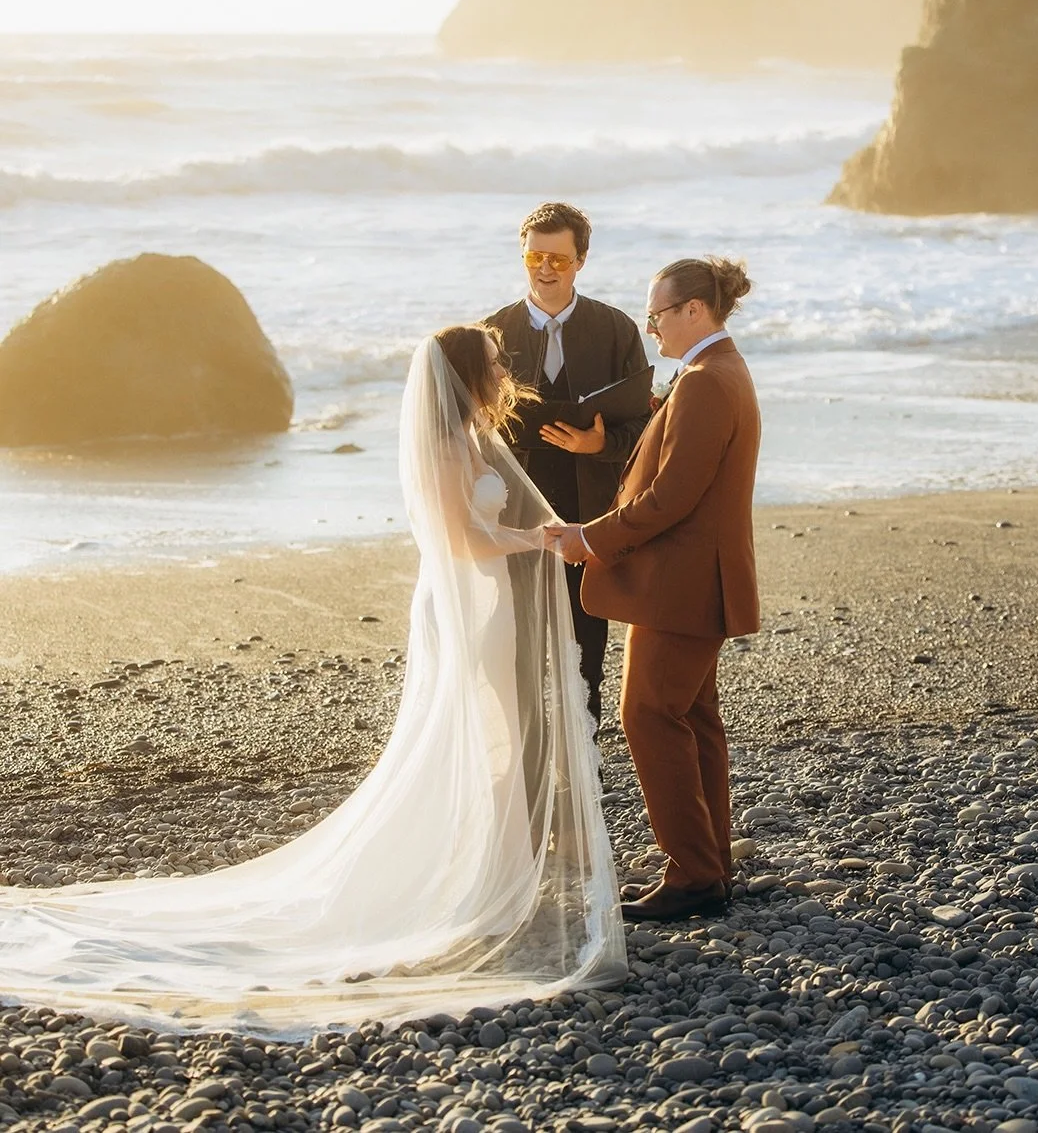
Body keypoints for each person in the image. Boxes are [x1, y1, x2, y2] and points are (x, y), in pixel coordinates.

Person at [0, 325, 625, 1034]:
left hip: (484, 595)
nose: (502, 370)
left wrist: (538, 536)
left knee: (498, 724)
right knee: (479, 727)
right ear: (461, 377)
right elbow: (457, 538)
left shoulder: (474, 439)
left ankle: (500, 866)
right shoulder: (447, 446)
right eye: (491, 364)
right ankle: (485, 877)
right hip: (467, 595)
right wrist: (534, 540)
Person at [546, 256, 761, 923]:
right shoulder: (718, 371)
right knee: (692, 718)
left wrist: (592, 537)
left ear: (694, 310)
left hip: (682, 583)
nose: (651, 327)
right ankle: (710, 862)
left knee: (648, 715)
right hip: (696, 580)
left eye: (658, 314)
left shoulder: (704, 381)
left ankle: (694, 873)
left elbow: (673, 497)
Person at [484, 203, 651, 732]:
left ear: (581, 260)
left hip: (589, 517)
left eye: (559, 257)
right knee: (520, 654)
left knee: (586, 657)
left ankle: (586, 768)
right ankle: (529, 770)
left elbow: (645, 430)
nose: (546, 267)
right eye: (535, 255)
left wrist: (598, 445)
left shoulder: (617, 330)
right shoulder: (490, 335)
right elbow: (472, 432)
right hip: (515, 521)